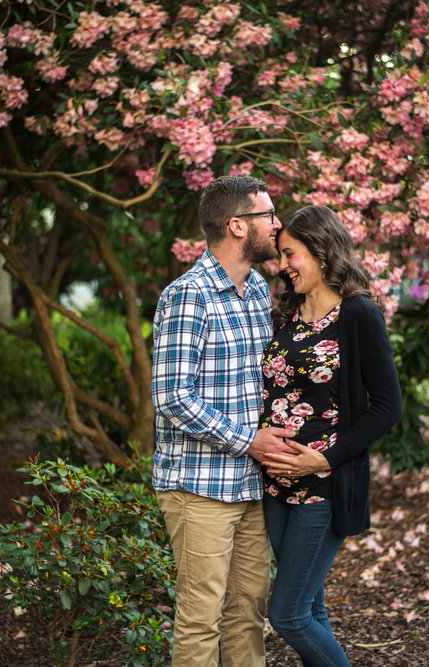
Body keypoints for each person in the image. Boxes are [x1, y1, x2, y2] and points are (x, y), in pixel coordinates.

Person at [151, 174, 297, 667]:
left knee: (247, 615)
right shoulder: (187, 296)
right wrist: (247, 441)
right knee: (200, 619)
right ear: (237, 225)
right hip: (198, 488)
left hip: (251, 487)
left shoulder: (257, 289)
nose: (277, 226)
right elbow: (173, 396)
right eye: (268, 216)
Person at [258, 205, 403, 666]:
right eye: (281, 255)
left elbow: (387, 408)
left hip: (322, 486)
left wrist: (322, 459)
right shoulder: (287, 312)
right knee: (311, 606)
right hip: (274, 485)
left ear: (322, 251)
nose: (284, 265)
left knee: (288, 614)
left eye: (291, 254)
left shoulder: (359, 314)